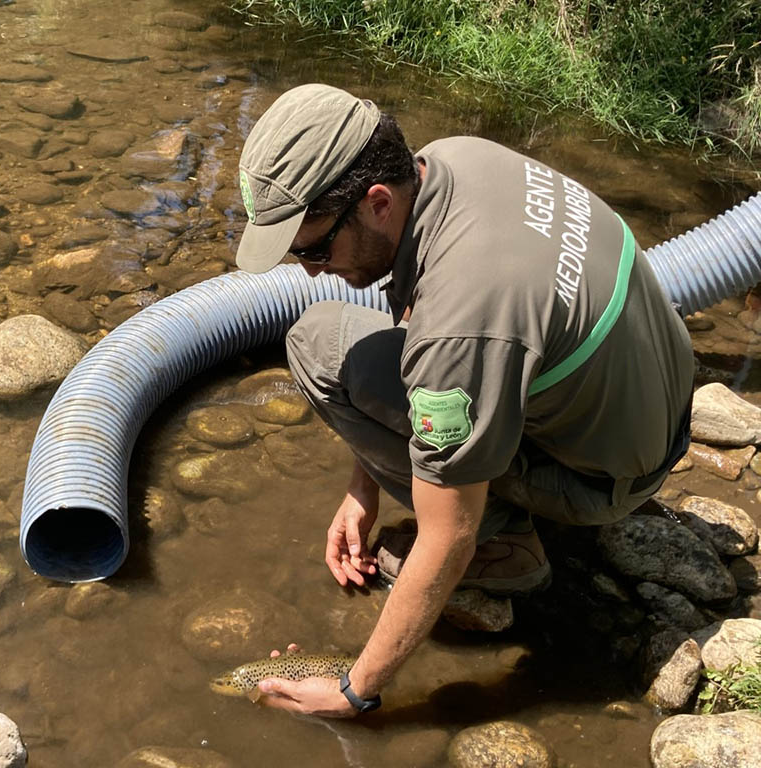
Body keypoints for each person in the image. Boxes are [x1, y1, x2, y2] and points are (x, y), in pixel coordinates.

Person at [233, 83, 695, 718]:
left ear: (376, 203)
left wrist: (353, 691)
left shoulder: (460, 326)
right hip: (649, 406)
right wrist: (362, 488)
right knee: (323, 335)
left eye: (312, 249)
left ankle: (508, 552)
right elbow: (418, 338)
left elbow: (447, 534)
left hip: (607, 479)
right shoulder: (452, 160)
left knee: (318, 349)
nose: (308, 270)